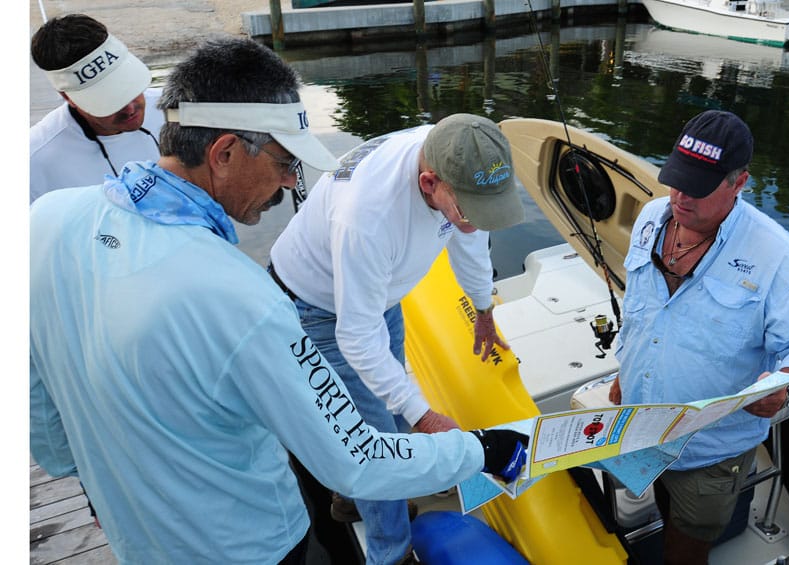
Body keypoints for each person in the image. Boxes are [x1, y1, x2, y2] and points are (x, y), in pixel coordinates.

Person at [30, 37, 527, 565]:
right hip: (248, 545)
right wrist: (482, 449)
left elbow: (34, 387)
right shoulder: (244, 300)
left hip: (135, 535)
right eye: (286, 161)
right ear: (223, 153)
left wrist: (71, 464)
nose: (293, 181)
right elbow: (356, 459)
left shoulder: (46, 219)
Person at [268, 112, 526, 564]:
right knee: (375, 437)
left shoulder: (460, 153)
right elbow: (356, 334)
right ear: (429, 183)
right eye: (469, 209)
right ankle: (390, 552)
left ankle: (350, 500)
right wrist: (422, 415)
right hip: (317, 309)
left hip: (379, 295)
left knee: (387, 403)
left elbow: (468, 237)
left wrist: (484, 308)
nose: (476, 220)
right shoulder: (367, 216)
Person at [607, 110, 789, 565]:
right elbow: (643, 313)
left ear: (740, 183)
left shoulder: (778, 255)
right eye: (676, 179)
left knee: (687, 547)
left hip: (710, 451)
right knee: (659, 508)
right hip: (640, 425)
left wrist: (785, 384)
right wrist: (624, 371)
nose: (679, 196)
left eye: (698, 186)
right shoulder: (653, 217)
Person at [30, 13, 164, 203]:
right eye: (110, 100)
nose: (130, 108)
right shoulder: (34, 162)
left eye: (128, 87)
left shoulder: (177, 109)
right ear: (67, 97)